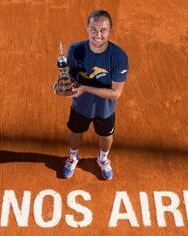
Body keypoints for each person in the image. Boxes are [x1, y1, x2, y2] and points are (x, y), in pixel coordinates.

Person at [59, 10, 129, 180]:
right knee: (76, 133)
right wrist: (60, 85)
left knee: (106, 136)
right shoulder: (74, 50)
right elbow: (68, 76)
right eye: (94, 29)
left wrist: (85, 88)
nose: (98, 34)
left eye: (103, 30)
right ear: (87, 28)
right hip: (80, 106)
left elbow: (116, 93)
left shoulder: (119, 57)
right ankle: (73, 156)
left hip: (105, 109)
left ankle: (103, 159)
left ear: (110, 30)